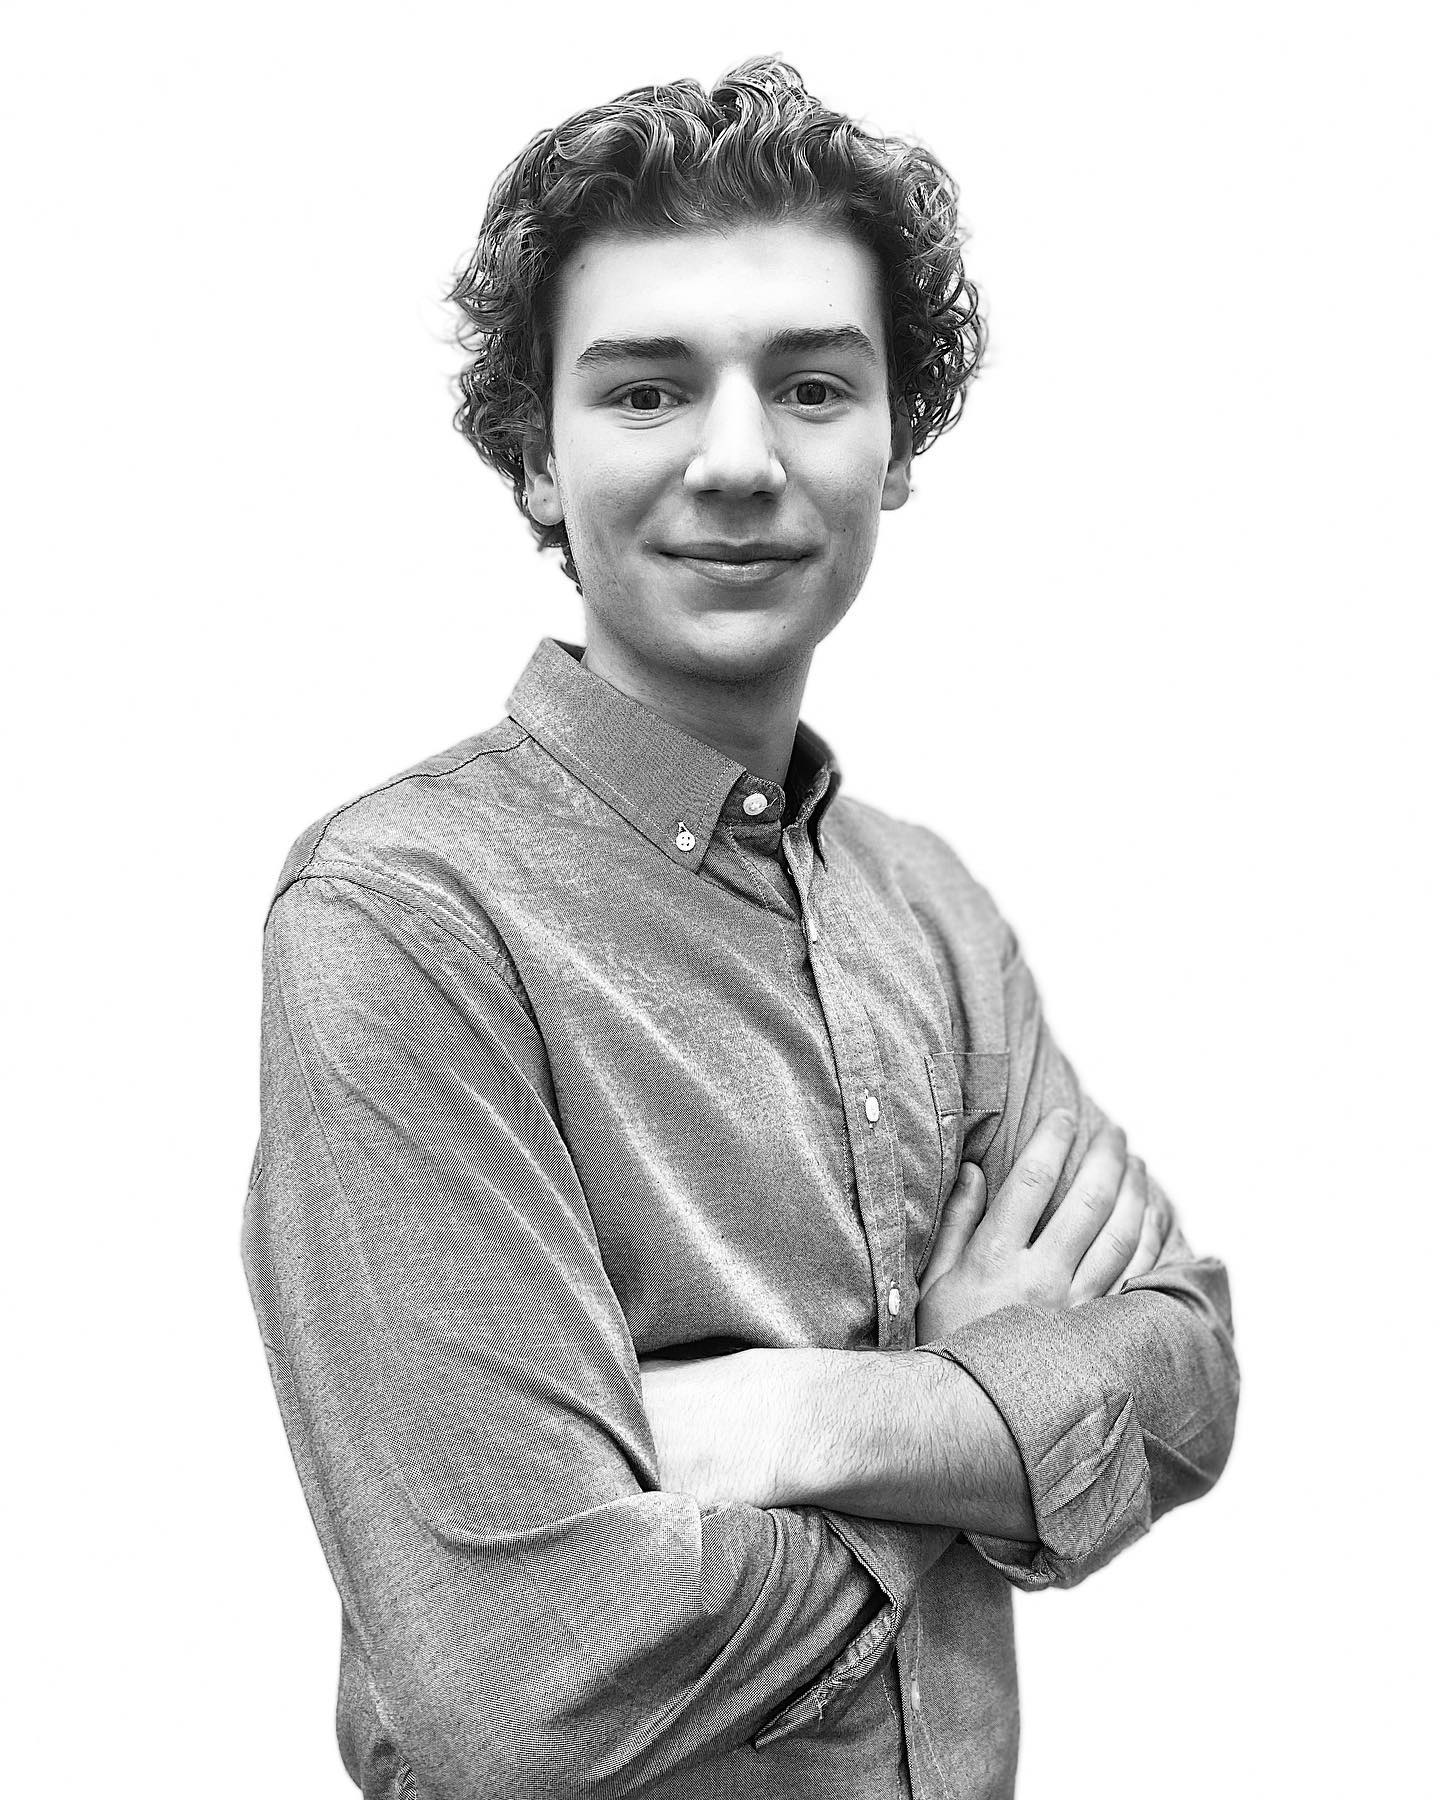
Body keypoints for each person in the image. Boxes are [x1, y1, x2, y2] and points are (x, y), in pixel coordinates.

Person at [242, 56, 1238, 1800]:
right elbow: (525, 1686)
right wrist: (980, 1410)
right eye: (645, 390)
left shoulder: (928, 906)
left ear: (892, 447)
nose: (737, 459)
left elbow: (1186, 1381)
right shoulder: (403, 917)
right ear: (534, 458)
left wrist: (805, 1418)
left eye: (811, 386)